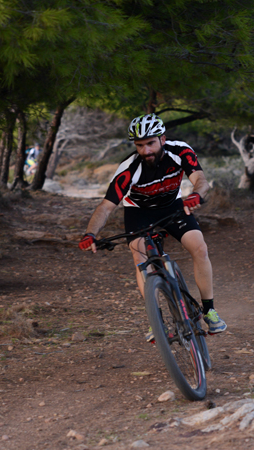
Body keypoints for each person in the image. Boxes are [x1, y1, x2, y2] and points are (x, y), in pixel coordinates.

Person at [78, 113, 227, 340]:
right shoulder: (129, 168)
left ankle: (209, 311)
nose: (146, 151)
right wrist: (91, 233)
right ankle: (156, 322)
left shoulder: (179, 151)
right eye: (140, 145)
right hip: (139, 212)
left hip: (172, 206)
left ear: (162, 139)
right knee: (140, 260)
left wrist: (196, 195)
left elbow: (201, 180)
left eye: (150, 143)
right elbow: (106, 207)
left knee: (200, 248)